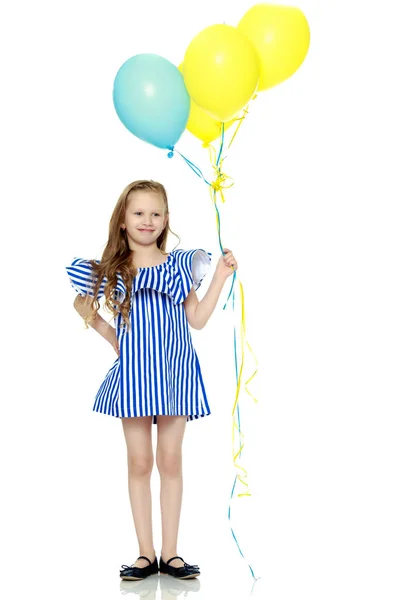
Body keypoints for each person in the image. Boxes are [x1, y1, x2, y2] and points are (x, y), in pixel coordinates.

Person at [65, 179, 238, 580]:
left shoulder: (178, 266)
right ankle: (145, 554)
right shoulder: (115, 271)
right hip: (136, 377)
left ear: (165, 220)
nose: (148, 220)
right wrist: (101, 328)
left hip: (175, 374)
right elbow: (95, 316)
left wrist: (220, 278)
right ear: (123, 221)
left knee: (171, 461)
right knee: (139, 462)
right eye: (139, 213)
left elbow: (196, 320)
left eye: (155, 214)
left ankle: (171, 553)